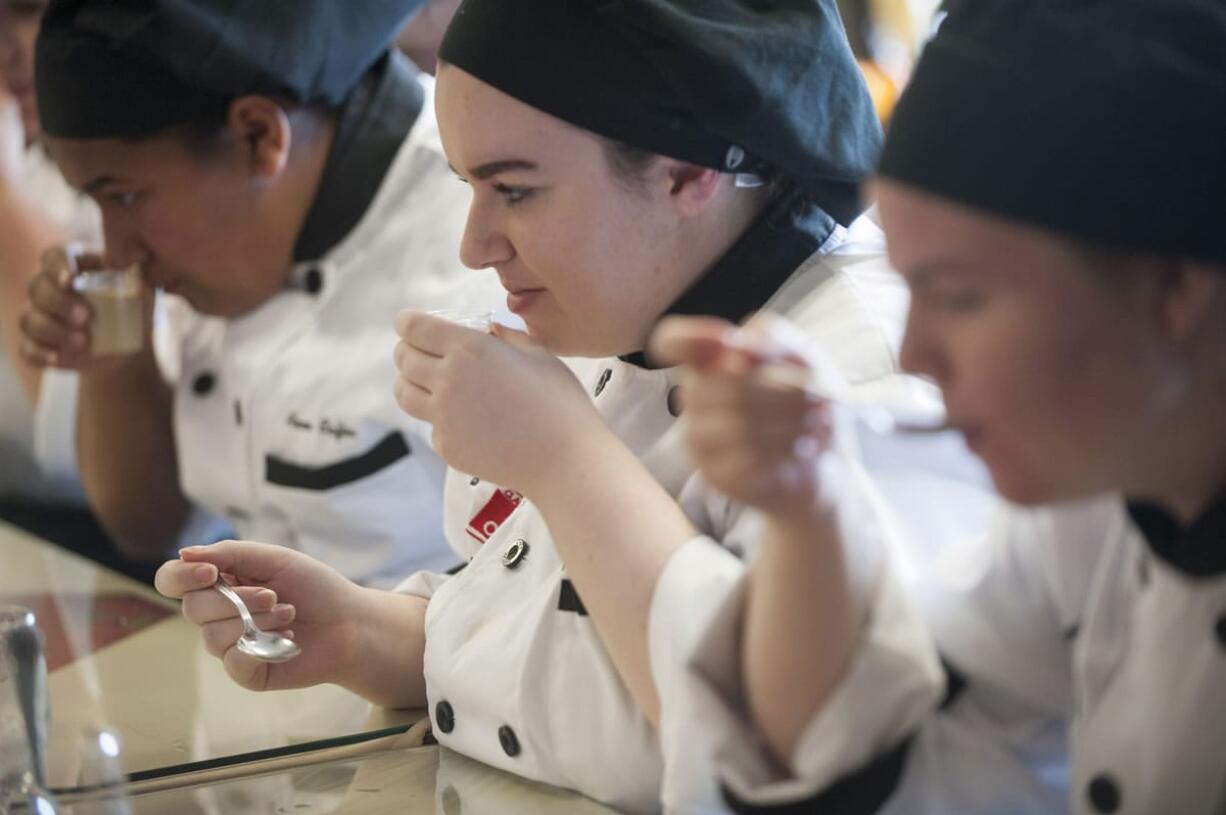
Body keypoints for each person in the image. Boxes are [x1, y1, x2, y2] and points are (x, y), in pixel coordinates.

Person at [154, 1, 945, 811]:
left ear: (685, 171)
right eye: (468, 187)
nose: (474, 245)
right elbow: (579, 650)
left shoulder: (870, 383)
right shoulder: (643, 296)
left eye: (516, 191)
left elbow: (785, 753)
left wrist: (563, 456)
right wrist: (366, 632)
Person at [658, 0, 1226, 812]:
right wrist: (805, 508)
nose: (917, 352)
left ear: (1176, 291)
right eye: (909, 283)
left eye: (958, 295)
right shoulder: (1097, 504)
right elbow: (889, 753)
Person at [19, 0, 497, 587]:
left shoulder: (484, 255)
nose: (119, 253)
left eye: (121, 196)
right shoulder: (234, 238)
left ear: (258, 135)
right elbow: (147, 530)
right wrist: (118, 363)